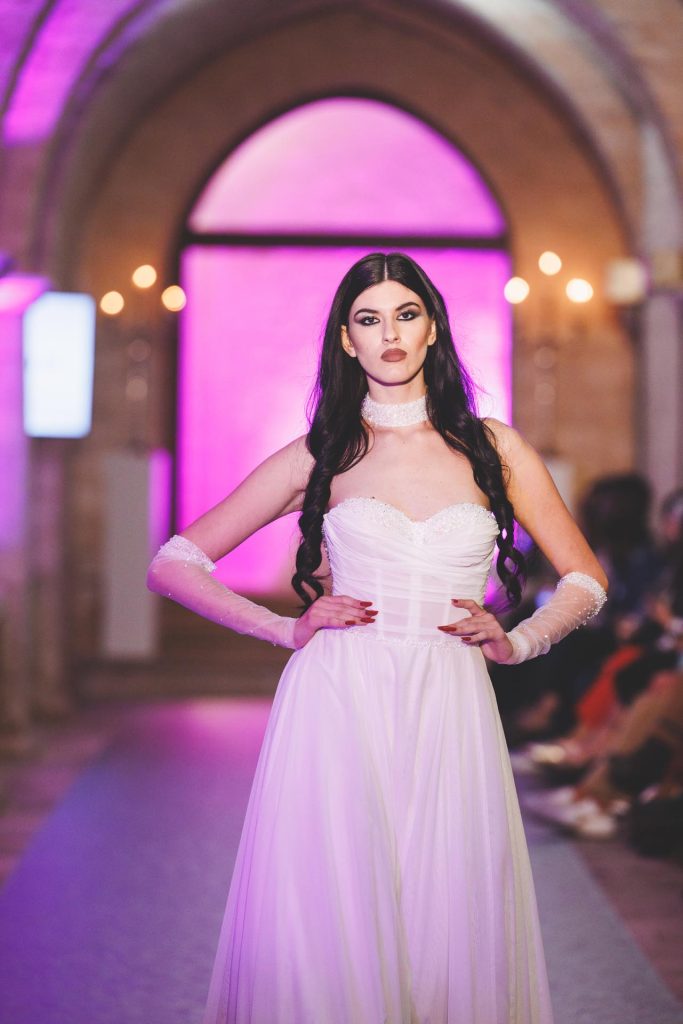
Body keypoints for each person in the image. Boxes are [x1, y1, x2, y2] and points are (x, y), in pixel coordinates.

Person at [147, 252, 608, 1024]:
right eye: (369, 319)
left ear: (432, 330)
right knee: (338, 908)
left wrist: (522, 640)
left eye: (405, 314)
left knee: (447, 905)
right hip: (338, 697)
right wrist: (283, 627)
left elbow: (585, 579)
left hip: (449, 697)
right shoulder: (321, 451)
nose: (388, 333)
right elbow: (173, 563)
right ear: (346, 338)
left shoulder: (493, 447)